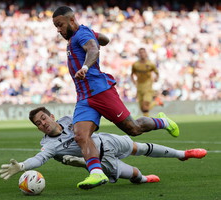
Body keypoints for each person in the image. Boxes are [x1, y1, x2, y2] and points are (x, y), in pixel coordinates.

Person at [51, 6, 179, 189]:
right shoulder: (80, 34)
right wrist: (95, 34)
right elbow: (105, 39)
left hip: (101, 92)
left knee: (134, 129)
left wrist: (86, 67)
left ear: (71, 20)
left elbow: (94, 49)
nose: (58, 30)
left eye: (60, 25)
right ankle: (96, 173)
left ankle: (163, 122)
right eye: (56, 26)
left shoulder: (81, 34)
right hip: (84, 97)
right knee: (80, 135)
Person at [0, 107, 207, 188]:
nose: (43, 123)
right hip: (100, 161)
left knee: (141, 147)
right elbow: (39, 159)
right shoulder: (49, 146)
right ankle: (144, 178)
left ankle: (183, 154)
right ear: (38, 128)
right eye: (38, 123)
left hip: (107, 141)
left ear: (52, 116)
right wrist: (24, 165)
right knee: (133, 175)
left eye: (44, 118)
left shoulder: (69, 118)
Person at [131, 48, 163, 117]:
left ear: (146, 54)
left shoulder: (150, 64)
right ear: (138, 54)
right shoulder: (135, 65)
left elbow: (157, 73)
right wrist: (134, 81)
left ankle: (146, 122)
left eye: (143, 52)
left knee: (145, 106)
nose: (142, 54)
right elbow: (132, 74)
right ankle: (156, 102)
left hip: (148, 86)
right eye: (140, 53)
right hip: (139, 87)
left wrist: (156, 78)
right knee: (142, 108)